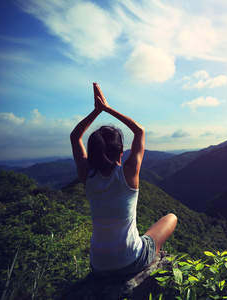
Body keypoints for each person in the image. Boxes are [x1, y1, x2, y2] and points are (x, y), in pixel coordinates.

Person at [70, 82, 177, 277]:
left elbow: (75, 136)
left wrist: (96, 112)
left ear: (92, 154)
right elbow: (140, 131)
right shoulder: (128, 174)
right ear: (121, 152)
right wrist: (108, 109)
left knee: (146, 233)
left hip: (98, 265)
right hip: (130, 262)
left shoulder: (87, 175)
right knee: (171, 218)